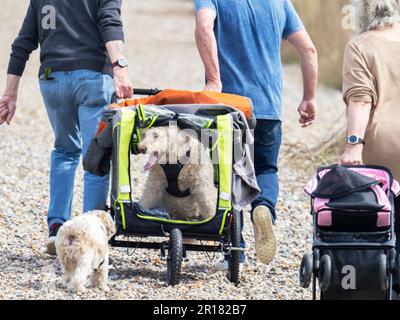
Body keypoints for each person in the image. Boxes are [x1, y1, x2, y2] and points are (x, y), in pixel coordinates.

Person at [0, 0, 133, 255]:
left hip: (52, 79)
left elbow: (23, 42)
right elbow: (109, 21)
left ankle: (57, 228)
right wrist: (120, 67)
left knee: (64, 150)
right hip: (93, 77)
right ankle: (91, 234)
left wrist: (10, 94)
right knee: (95, 155)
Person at [194, 0, 318, 267]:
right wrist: (308, 97)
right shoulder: (280, 3)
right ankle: (262, 207)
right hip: (268, 109)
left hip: (227, 107)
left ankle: (232, 251)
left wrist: (214, 80)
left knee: (225, 173)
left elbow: (204, 25)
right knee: (266, 169)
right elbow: (308, 49)